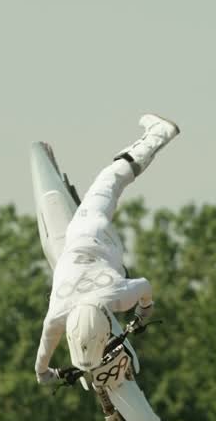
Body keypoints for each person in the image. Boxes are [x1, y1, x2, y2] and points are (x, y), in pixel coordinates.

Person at [35, 113, 181, 385]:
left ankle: (161, 132)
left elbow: (41, 373)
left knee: (109, 182)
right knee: (110, 179)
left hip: (104, 249)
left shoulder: (57, 318)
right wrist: (143, 310)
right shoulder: (59, 314)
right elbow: (145, 286)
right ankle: (156, 137)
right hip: (91, 234)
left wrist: (50, 376)